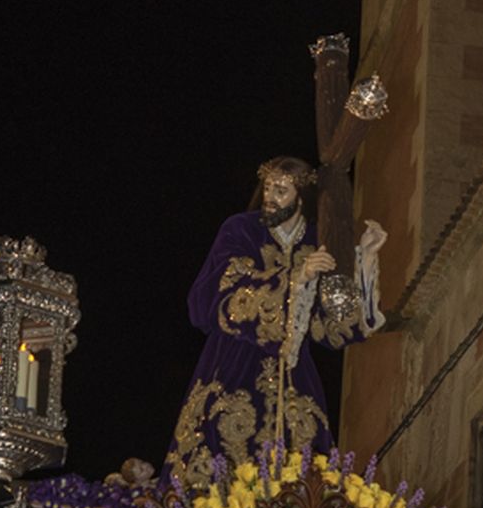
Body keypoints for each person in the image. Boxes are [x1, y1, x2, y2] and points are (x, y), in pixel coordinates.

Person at [164, 156, 386, 488]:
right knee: (218, 460)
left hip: (295, 377)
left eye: (281, 191)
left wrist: (364, 259)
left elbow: (332, 327)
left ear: (301, 198)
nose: (270, 197)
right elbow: (222, 290)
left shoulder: (317, 241)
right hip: (234, 362)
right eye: (268, 188)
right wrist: (299, 277)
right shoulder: (240, 229)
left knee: (305, 473)